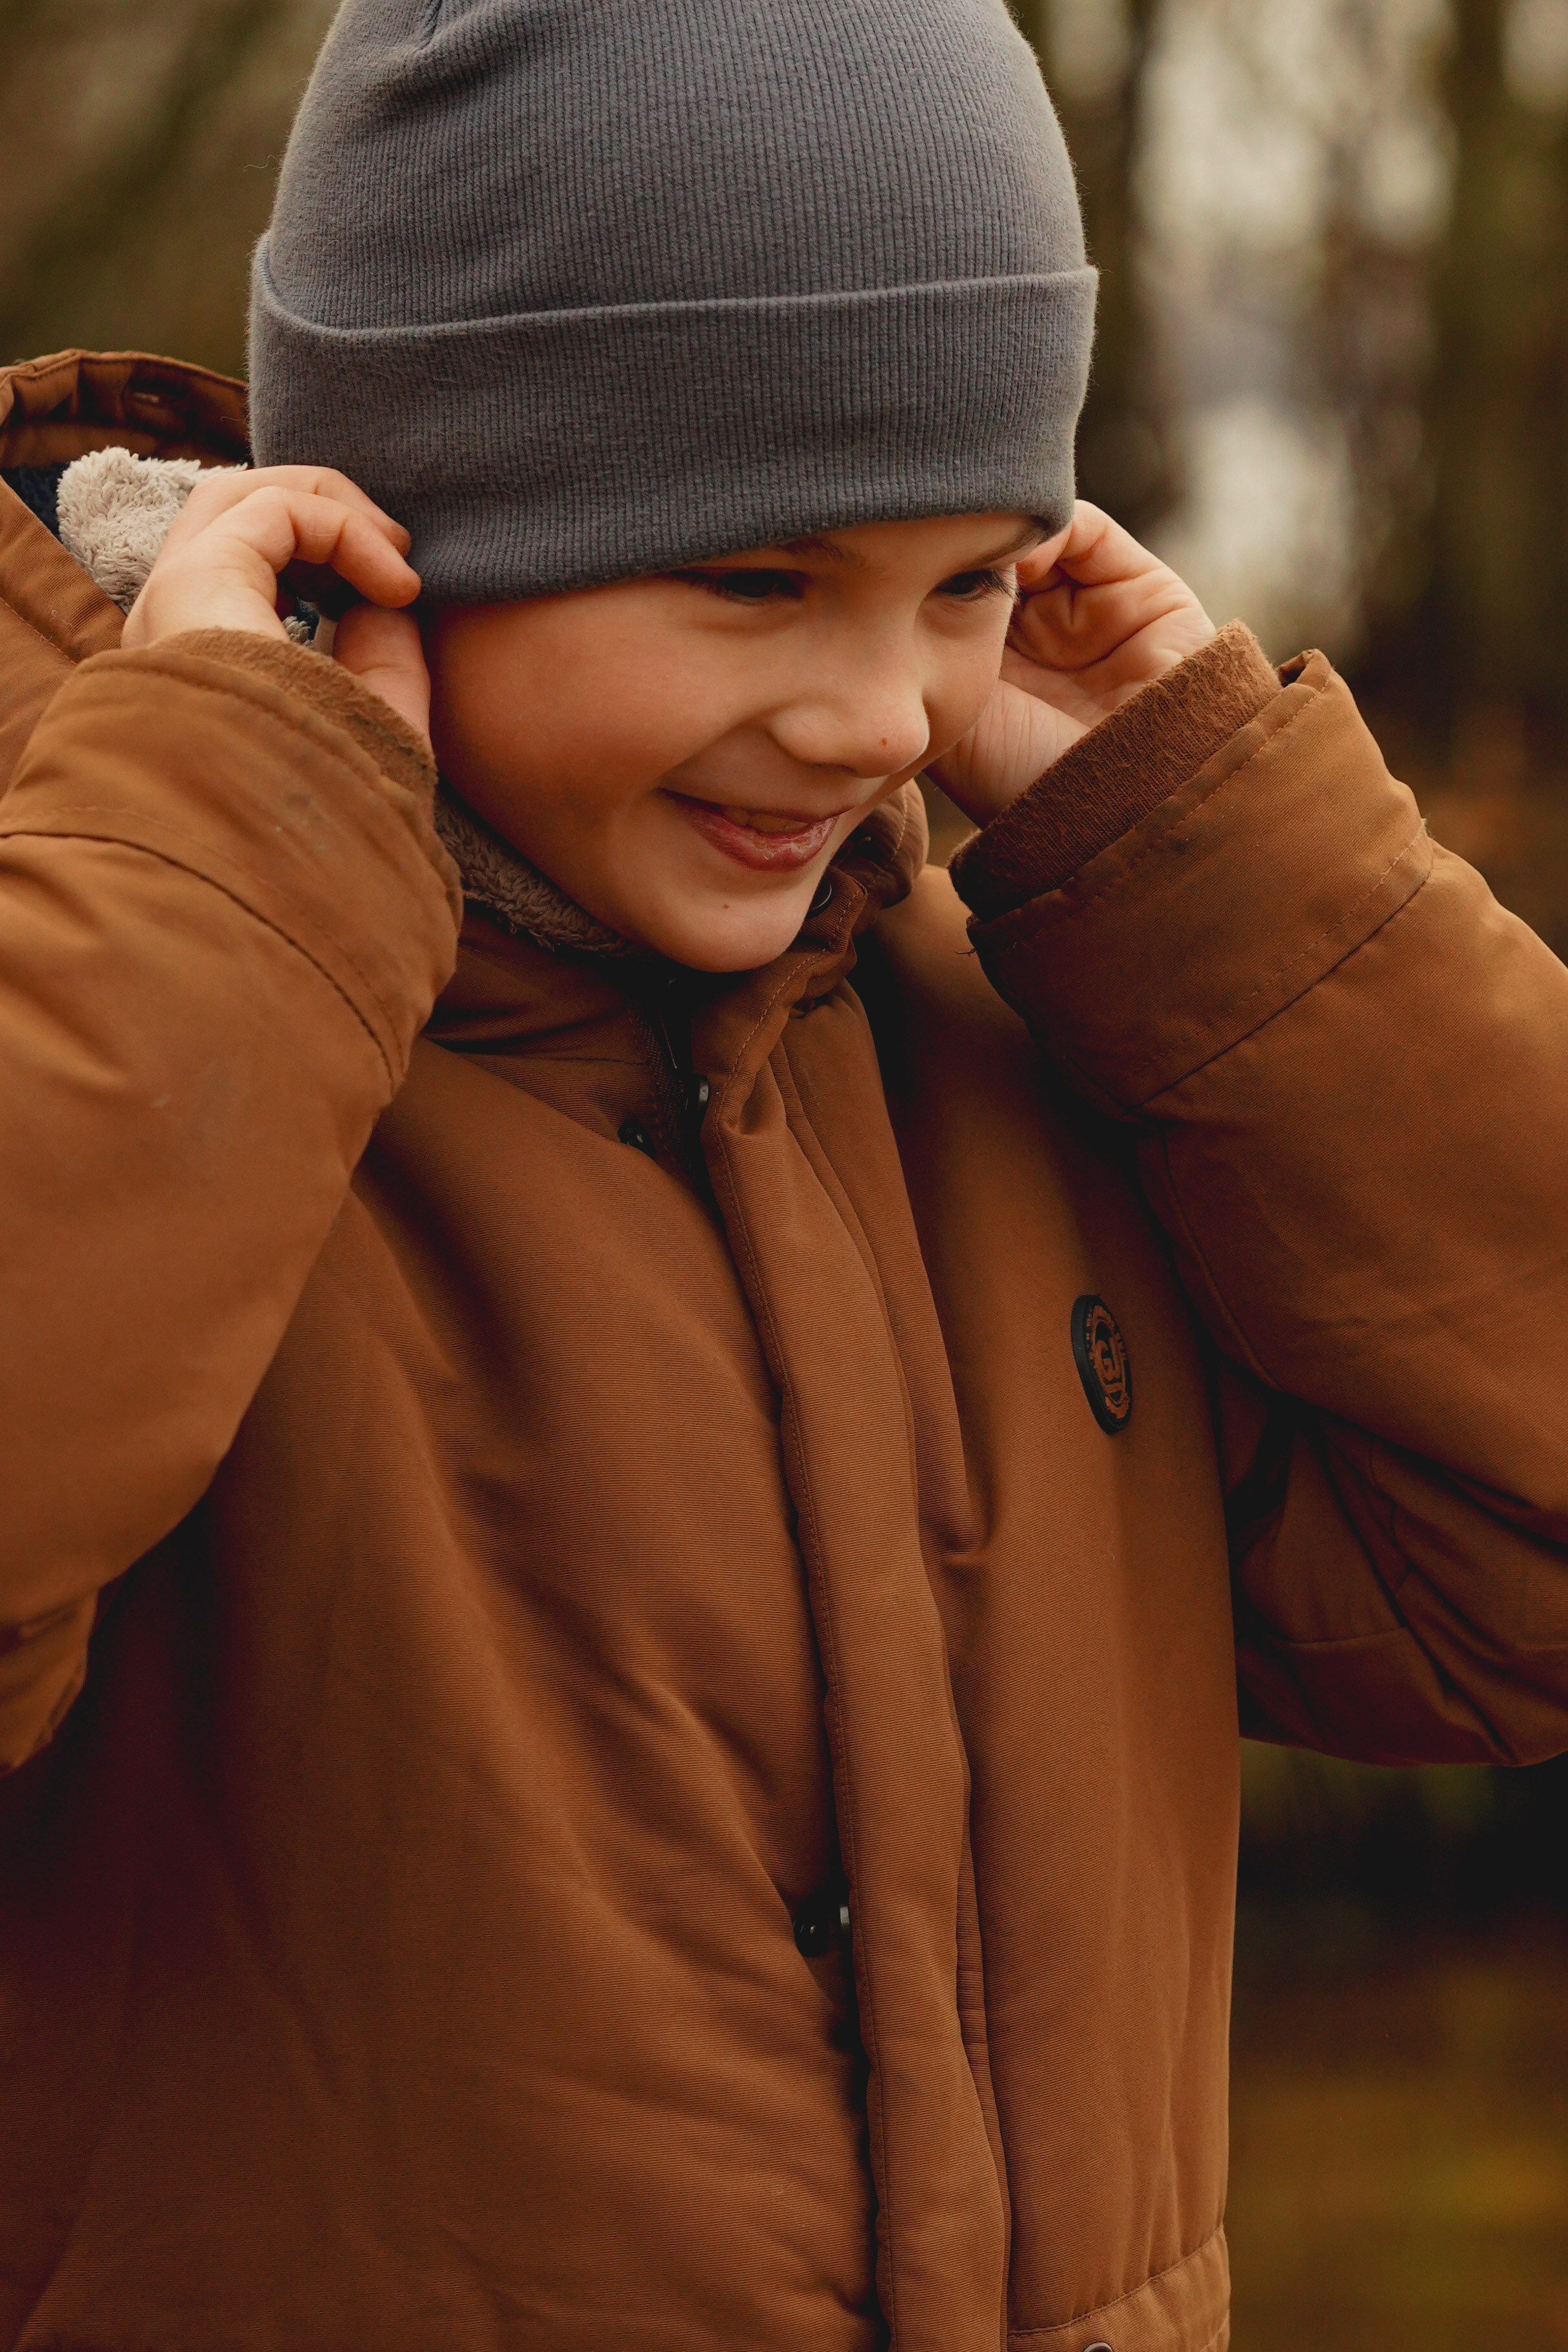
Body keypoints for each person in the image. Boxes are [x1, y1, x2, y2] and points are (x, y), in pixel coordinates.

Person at [0, 3, 1564, 2347]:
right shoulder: (124, 984)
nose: (882, 720)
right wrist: (234, 870)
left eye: (964, 584)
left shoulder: (1026, 1056)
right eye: (754, 582)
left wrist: (1228, 876)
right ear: (388, 525)